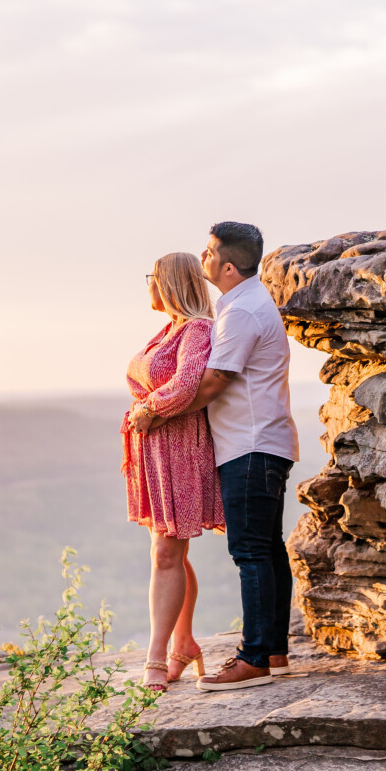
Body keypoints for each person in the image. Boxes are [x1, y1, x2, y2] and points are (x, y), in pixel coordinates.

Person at [138, 221, 299, 691]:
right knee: (269, 550)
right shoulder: (244, 305)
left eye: (208, 253)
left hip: (249, 445)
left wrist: (157, 414)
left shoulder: (243, 313)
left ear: (227, 265)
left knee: (251, 552)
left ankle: (253, 659)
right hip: (261, 442)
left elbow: (212, 381)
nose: (201, 258)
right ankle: (273, 649)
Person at [121, 252, 225, 693]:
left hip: (180, 451)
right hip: (155, 452)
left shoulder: (197, 329)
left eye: (152, 277)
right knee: (171, 554)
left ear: (168, 282)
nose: (148, 284)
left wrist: (148, 409)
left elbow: (186, 385)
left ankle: (155, 659)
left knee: (165, 553)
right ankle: (184, 642)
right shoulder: (169, 330)